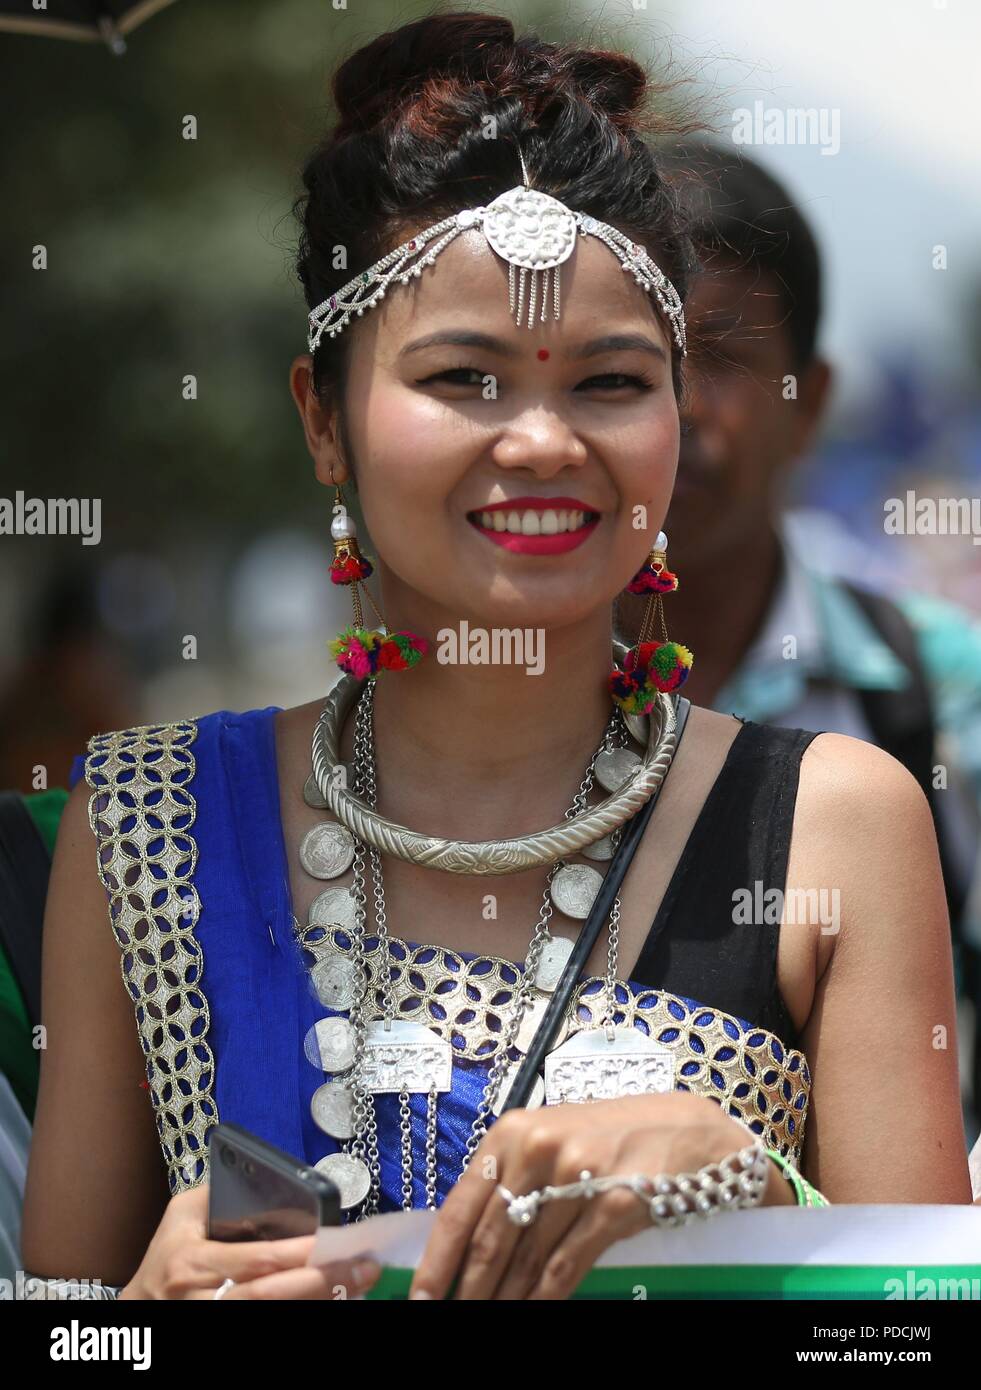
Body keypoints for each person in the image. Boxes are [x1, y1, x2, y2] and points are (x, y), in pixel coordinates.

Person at [18, 11, 973, 1303]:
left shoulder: (834, 826)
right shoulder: (144, 825)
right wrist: (141, 1315)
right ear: (323, 415)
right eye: (464, 378)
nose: (539, 443)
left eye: (611, 382)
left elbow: (919, 1316)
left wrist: (749, 1184)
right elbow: (66, 1322)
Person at [615, 139, 981, 1129]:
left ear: (809, 402)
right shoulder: (510, 698)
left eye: (723, 356)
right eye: (628, 363)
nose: (679, 408)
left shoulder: (934, 690)